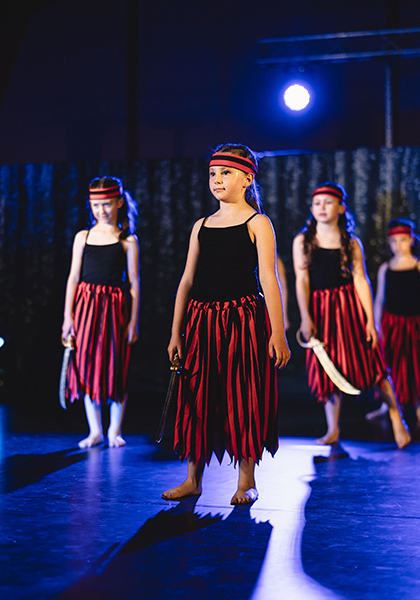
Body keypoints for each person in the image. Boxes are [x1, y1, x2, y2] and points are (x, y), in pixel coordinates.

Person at [162, 143, 290, 505]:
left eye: (226, 172)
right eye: (213, 173)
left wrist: (278, 332)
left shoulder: (258, 223)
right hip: (201, 321)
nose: (217, 179)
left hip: (242, 321)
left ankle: (246, 480)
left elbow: (269, 279)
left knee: (243, 396)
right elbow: (187, 280)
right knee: (197, 397)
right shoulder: (201, 226)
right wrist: (175, 332)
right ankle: (193, 479)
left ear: (247, 178)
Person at [293, 183, 411, 449]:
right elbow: (302, 280)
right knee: (327, 369)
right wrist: (305, 316)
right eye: (317, 203)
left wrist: (370, 320)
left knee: (372, 363)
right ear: (311, 208)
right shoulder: (303, 241)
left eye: (328, 202)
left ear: (341, 208)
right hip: (321, 311)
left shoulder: (351, 242)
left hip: (348, 308)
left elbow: (361, 280)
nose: (322, 207)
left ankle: (396, 415)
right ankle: (333, 428)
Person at [61, 176, 140, 448]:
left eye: (106, 204)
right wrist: (68, 317)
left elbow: (134, 283)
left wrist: (133, 321)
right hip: (85, 306)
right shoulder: (82, 237)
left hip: (114, 309)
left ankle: (114, 430)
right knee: (86, 365)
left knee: (115, 365)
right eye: (96, 205)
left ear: (119, 202)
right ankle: (94, 430)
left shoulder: (127, 240)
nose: (101, 210)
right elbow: (73, 277)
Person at [365, 219, 420, 423]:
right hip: (391, 323)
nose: (398, 245)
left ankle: (419, 406)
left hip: (413, 323)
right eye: (394, 241)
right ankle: (386, 405)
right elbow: (379, 299)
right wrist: (376, 325)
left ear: (412, 240)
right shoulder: (386, 268)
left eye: (402, 240)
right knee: (390, 363)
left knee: (416, 364)